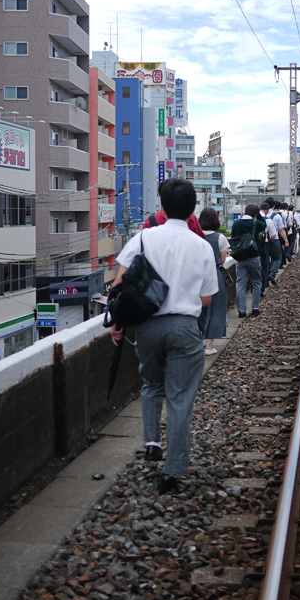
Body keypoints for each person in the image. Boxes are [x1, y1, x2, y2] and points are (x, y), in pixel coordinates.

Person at [110, 180, 218, 495]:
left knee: (152, 383)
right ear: (192, 208)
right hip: (185, 329)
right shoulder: (201, 246)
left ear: (162, 205)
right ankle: (173, 472)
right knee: (181, 398)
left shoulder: (143, 238)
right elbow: (207, 297)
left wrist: (119, 322)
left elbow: (120, 284)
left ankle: (153, 443)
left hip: (147, 326)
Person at [199, 207, 229, 356]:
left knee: (198, 309)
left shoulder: (196, 236)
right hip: (214, 274)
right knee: (216, 307)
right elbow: (223, 260)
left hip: (197, 274)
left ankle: (199, 341)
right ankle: (209, 346)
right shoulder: (220, 238)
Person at [231, 204, 265, 317]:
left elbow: (233, 239)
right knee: (256, 282)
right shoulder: (256, 223)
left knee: (241, 283)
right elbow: (264, 224)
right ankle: (255, 308)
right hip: (254, 256)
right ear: (255, 214)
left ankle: (241, 311)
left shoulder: (236, 224)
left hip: (240, 258)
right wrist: (259, 215)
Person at [259, 202, 278, 291]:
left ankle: (254, 289)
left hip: (253, 245)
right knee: (264, 265)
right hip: (264, 244)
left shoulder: (253, 219)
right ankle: (263, 287)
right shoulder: (268, 220)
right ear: (267, 210)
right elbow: (273, 236)